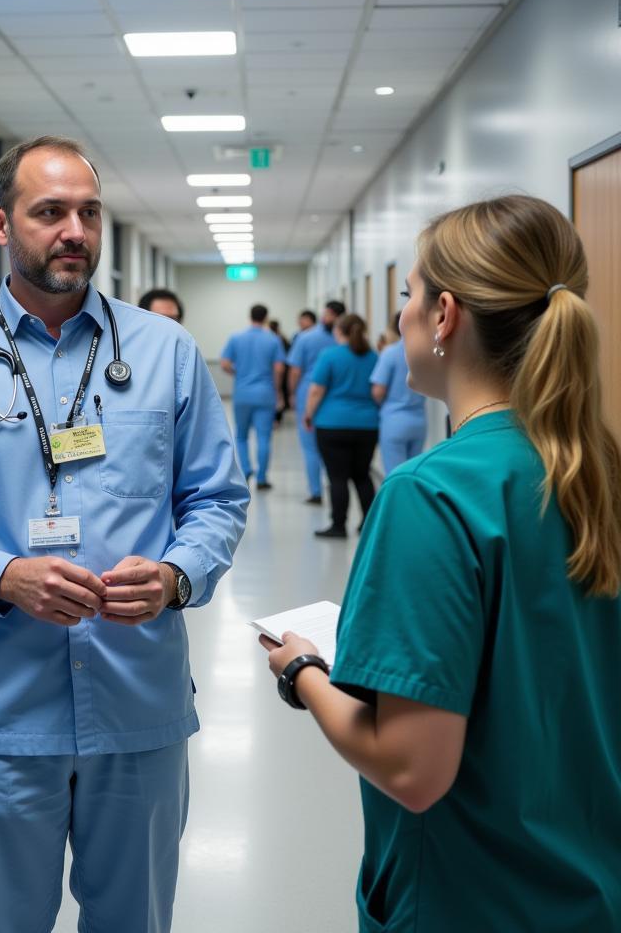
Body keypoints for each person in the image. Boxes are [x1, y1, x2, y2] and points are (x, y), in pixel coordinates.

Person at [0, 135, 249, 933]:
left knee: (134, 921)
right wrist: (4, 577)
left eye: (88, 211)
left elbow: (217, 500)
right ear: (0, 225)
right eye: (51, 212)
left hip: (137, 707)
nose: (74, 230)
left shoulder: (166, 354)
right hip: (5, 718)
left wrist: (178, 576)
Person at [260, 195, 621, 932]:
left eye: (409, 296)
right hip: (591, 885)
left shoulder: (433, 495)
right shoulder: (601, 473)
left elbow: (411, 771)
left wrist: (301, 670)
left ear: (445, 315)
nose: (403, 316)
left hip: (474, 896)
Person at [304, 313, 379, 538]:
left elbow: (316, 390)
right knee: (362, 476)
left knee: (337, 477)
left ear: (339, 331)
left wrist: (309, 414)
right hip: (367, 425)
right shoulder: (373, 356)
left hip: (332, 424)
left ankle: (338, 526)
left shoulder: (330, 355)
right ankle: (369, 524)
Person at [221, 305, 286, 490]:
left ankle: (246, 470)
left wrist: (238, 373)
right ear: (266, 317)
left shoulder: (236, 337)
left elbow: (225, 363)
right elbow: (279, 369)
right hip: (265, 393)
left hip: (242, 392)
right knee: (264, 436)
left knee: (241, 436)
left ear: (250, 316)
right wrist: (278, 391)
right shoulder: (273, 339)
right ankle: (262, 478)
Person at [285, 301, 344, 504]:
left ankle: (316, 492)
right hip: (335, 399)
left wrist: (292, 393)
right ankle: (334, 486)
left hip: (308, 394)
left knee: (310, 447)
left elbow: (295, 370)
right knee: (332, 447)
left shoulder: (306, 337)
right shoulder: (345, 339)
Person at [370, 312, 428, 474]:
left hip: (394, 420)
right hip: (419, 421)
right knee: (413, 473)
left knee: (395, 475)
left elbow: (378, 391)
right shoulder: (425, 352)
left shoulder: (390, 353)